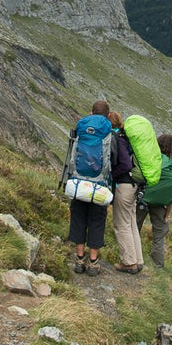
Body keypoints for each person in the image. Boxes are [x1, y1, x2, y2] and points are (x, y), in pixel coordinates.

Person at [68, 100, 115, 277]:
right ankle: (93, 262)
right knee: (96, 220)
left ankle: (79, 259)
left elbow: (71, 152)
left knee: (78, 216)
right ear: (108, 115)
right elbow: (114, 160)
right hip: (100, 184)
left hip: (79, 181)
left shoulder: (81, 128)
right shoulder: (109, 134)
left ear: (91, 112)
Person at [135, 134, 172, 268]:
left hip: (142, 199)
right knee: (159, 235)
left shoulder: (151, 159)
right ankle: (157, 265)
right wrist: (167, 214)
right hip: (161, 204)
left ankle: (132, 257)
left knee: (134, 228)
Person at [109, 111, 144, 274]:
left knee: (121, 224)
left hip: (123, 186)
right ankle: (138, 260)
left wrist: (111, 174)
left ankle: (128, 262)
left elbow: (124, 165)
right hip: (133, 185)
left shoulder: (118, 140)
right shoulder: (126, 138)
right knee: (130, 223)